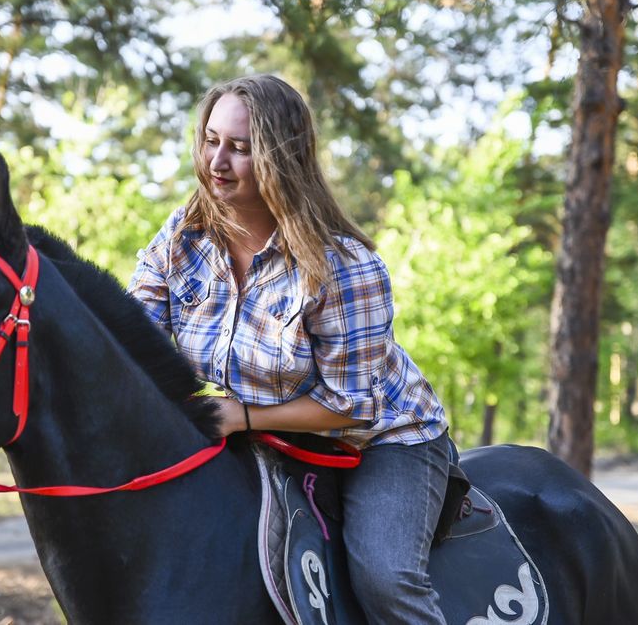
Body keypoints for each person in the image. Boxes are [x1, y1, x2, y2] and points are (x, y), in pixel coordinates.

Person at [127, 74, 449, 624]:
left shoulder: (342, 266)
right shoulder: (184, 237)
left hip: (379, 438)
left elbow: (348, 405)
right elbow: (135, 336)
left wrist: (240, 416)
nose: (216, 162)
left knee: (385, 578)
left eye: (240, 148)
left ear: (282, 156)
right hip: (260, 429)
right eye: (210, 141)